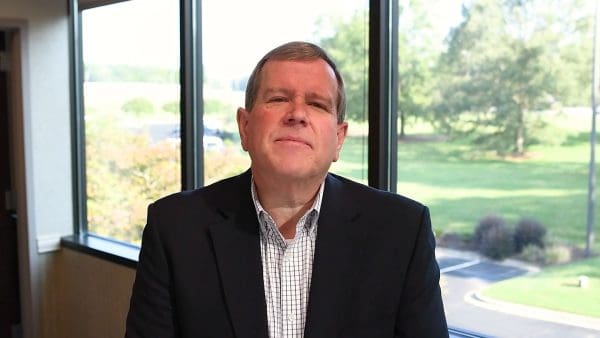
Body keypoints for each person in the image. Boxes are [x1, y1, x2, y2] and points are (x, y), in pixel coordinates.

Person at [125, 41, 448, 338]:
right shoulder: (175, 228)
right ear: (245, 127)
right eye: (278, 99)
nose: (297, 114)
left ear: (339, 138)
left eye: (317, 104)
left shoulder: (402, 230)